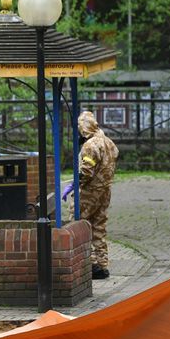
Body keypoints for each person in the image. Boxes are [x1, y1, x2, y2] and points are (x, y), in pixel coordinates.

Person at [63, 110, 119, 279]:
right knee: (99, 226)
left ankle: (90, 263)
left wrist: (73, 185)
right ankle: (102, 265)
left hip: (90, 192)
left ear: (83, 128)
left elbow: (87, 171)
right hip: (105, 191)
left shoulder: (90, 145)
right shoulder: (108, 142)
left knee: (79, 223)